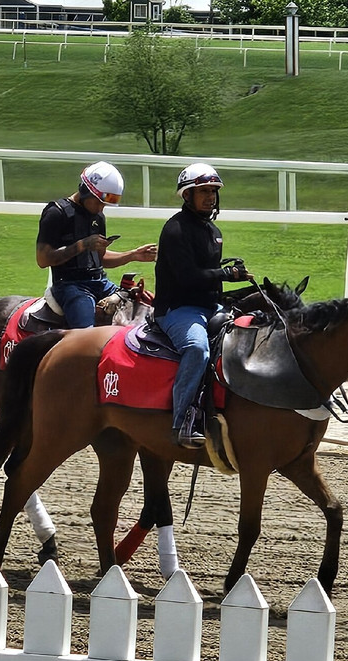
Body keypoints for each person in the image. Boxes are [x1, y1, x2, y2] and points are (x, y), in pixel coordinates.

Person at [153, 162, 252, 449]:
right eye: (204, 191)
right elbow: (188, 278)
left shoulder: (213, 231)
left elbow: (208, 275)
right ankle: (182, 421)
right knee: (197, 348)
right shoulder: (175, 230)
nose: (210, 197)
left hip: (210, 307)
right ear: (187, 195)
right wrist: (227, 274)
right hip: (177, 310)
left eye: (213, 191)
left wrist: (233, 281)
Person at [36, 161, 157, 329]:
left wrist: (133, 255)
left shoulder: (98, 217)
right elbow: (42, 259)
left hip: (101, 282)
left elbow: (101, 258)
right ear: (86, 191)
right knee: (87, 335)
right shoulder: (56, 213)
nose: (102, 208)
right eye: (99, 202)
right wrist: (81, 245)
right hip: (70, 287)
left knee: (143, 311)